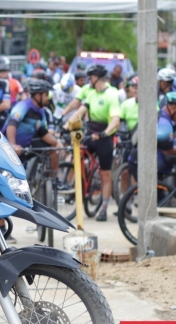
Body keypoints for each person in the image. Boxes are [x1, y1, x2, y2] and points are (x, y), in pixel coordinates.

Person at [66, 64, 122, 221]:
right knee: (77, 155)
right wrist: (66, 125)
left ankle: (104, 207)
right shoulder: (91, 94)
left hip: (105, 137)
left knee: (105, 174)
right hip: (91, 134)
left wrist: (105, 133)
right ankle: (81, 183)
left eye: (89, 77)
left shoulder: (111, 94)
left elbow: (116, 120)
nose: (88, 80)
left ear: (96, 78)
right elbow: (80, 112)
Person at [6, 79, 61, 170]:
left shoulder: (41, 111)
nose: (49, 98)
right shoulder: (23, 106)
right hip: (10, 146)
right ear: (38, 96)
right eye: (46, 95)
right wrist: (12, 144)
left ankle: (52, 177)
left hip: (26, 146)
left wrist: (56, 142)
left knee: (53, 147)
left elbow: (43, 133)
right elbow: (12, 123)